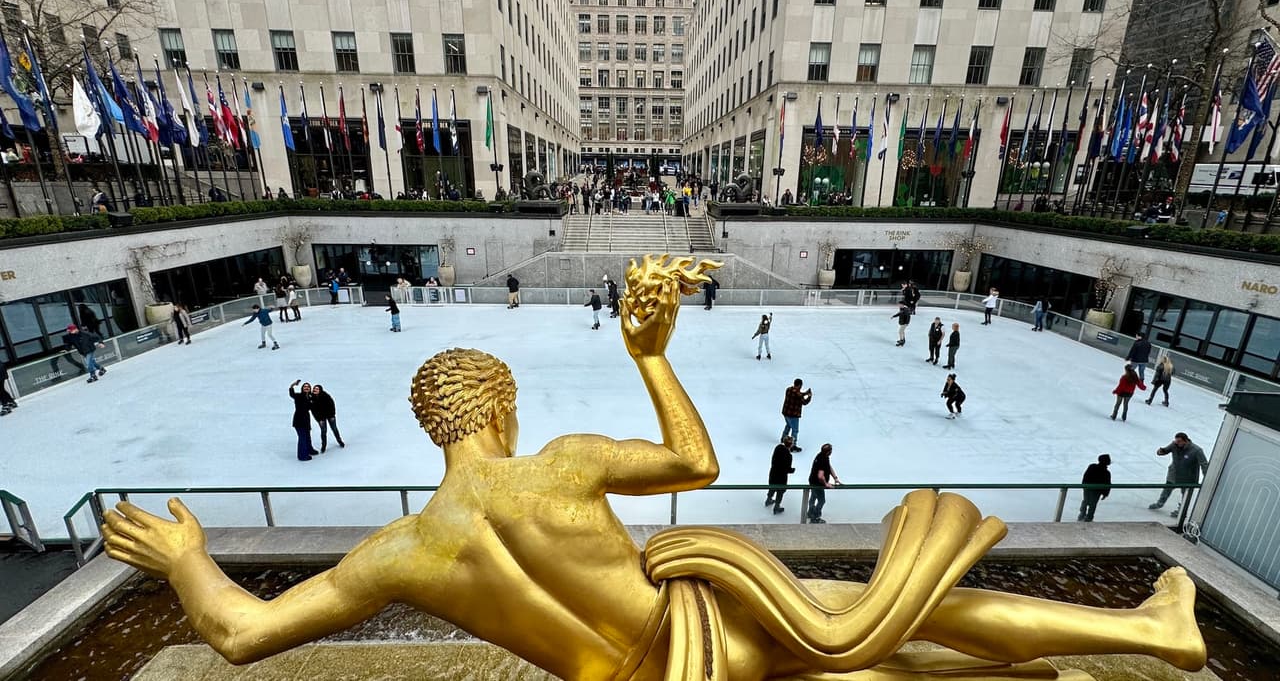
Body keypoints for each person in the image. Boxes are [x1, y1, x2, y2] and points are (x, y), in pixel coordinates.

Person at [101, 256, 1210, 681]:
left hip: (639, 679)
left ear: (434, 427)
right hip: (709, 631)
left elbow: (239, 634)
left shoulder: (399, 551)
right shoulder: (563, 463)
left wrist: (189, 558)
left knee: (892, 660)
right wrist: (650, 355)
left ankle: (1116, 644)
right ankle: (1149, 632)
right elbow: (695, 459)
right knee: (916, 615)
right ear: (502, 406)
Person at [1148, 432, 1210, 516]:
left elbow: (1204, 464)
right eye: (1176, 441)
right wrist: (1160, 451)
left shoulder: (1196, 450)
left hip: (1188, 477)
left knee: (1185, 495)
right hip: (1173, 474)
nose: (1177, 443)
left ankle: (1181, 511)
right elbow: (1164, 451)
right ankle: (1160, 503)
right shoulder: (1174, 445)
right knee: (1167, 489)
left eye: (1179, 441)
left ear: (1186, 441)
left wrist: (1207, 477)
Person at [807, 443, 839, 523]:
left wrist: (835, 478)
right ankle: (815, 517)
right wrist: (826, 484)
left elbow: (828, 467)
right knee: (821, 500)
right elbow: (820, 476)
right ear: (828, 452)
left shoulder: (822, 456)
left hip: (812, 481)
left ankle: (810, 512)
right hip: (817, 484)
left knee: (813, 496)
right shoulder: (823, 459)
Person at [310, 384, 346, 453]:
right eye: (314, 389)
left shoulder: (325, 395)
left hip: (330, 415)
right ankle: (324, 445)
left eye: (317, 389)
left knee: (334, 428)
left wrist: (332, 415)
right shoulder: (312, 398)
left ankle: (339, 441)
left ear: (320, 390)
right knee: (323, 431)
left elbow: (332, 405)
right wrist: (319, 420)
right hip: (321, 417)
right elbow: (313, 411)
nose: (315, 390)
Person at [764, 435, 795, 515]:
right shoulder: (789, 456)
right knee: (780, 491)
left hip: (773, 473)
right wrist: (792, 470)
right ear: (791, 444)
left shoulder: (778, 448)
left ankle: (768, 499)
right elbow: (787, 469)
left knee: (772, 487)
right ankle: (777, 507)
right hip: (781, 477)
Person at [289, 381, 319, 461]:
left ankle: (309, 450)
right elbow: (292, 394)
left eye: (308, 387)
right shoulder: (298, 396)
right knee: (302, 437)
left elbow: (314, 406)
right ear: (302, 388)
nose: (306, 388)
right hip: (299, 420)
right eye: (305, 386)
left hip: (306, 420)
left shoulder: (310, 397)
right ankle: (302, 456)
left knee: (307, 436)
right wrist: (292, 385)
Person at [779, 378, 811, 452]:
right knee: (795, 430)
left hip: (785, 412)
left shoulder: (788, 389)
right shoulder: (798, 395)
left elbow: (797, 394)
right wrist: (809, 396)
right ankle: (793, 445)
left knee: (788, 425)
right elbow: (804, 402)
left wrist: (805, 393)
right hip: (793, 415)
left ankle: (783, 438)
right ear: (800, 385)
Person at [1078, 454, 1112, 523]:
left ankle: (1082, 515)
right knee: (1092, 504)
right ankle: (1088, 517)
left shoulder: (1092, 467)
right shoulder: (1106, 473)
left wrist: (1084, 485)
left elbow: (1085, 476)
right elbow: (1107, 484)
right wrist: (1105, 494)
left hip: (1088, 488)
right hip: (1096, 490)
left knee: (1086, 501)